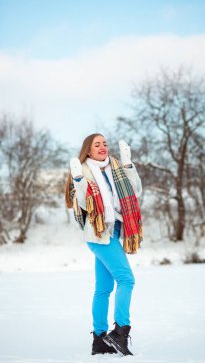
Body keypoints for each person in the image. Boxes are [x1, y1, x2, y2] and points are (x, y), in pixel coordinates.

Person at [65, 133, 143, 356]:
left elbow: (135, 191)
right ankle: (119, 332)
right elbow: (84, 204)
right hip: (99, 234)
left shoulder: (115, 167)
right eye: (96, 144)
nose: (102, 147)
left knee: (103, 289)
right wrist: (79, 181)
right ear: (88, 150)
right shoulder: (83, 170)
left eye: (105, 143)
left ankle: (99, 340)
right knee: (126, 279)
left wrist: (128, 164)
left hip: (116, 231)